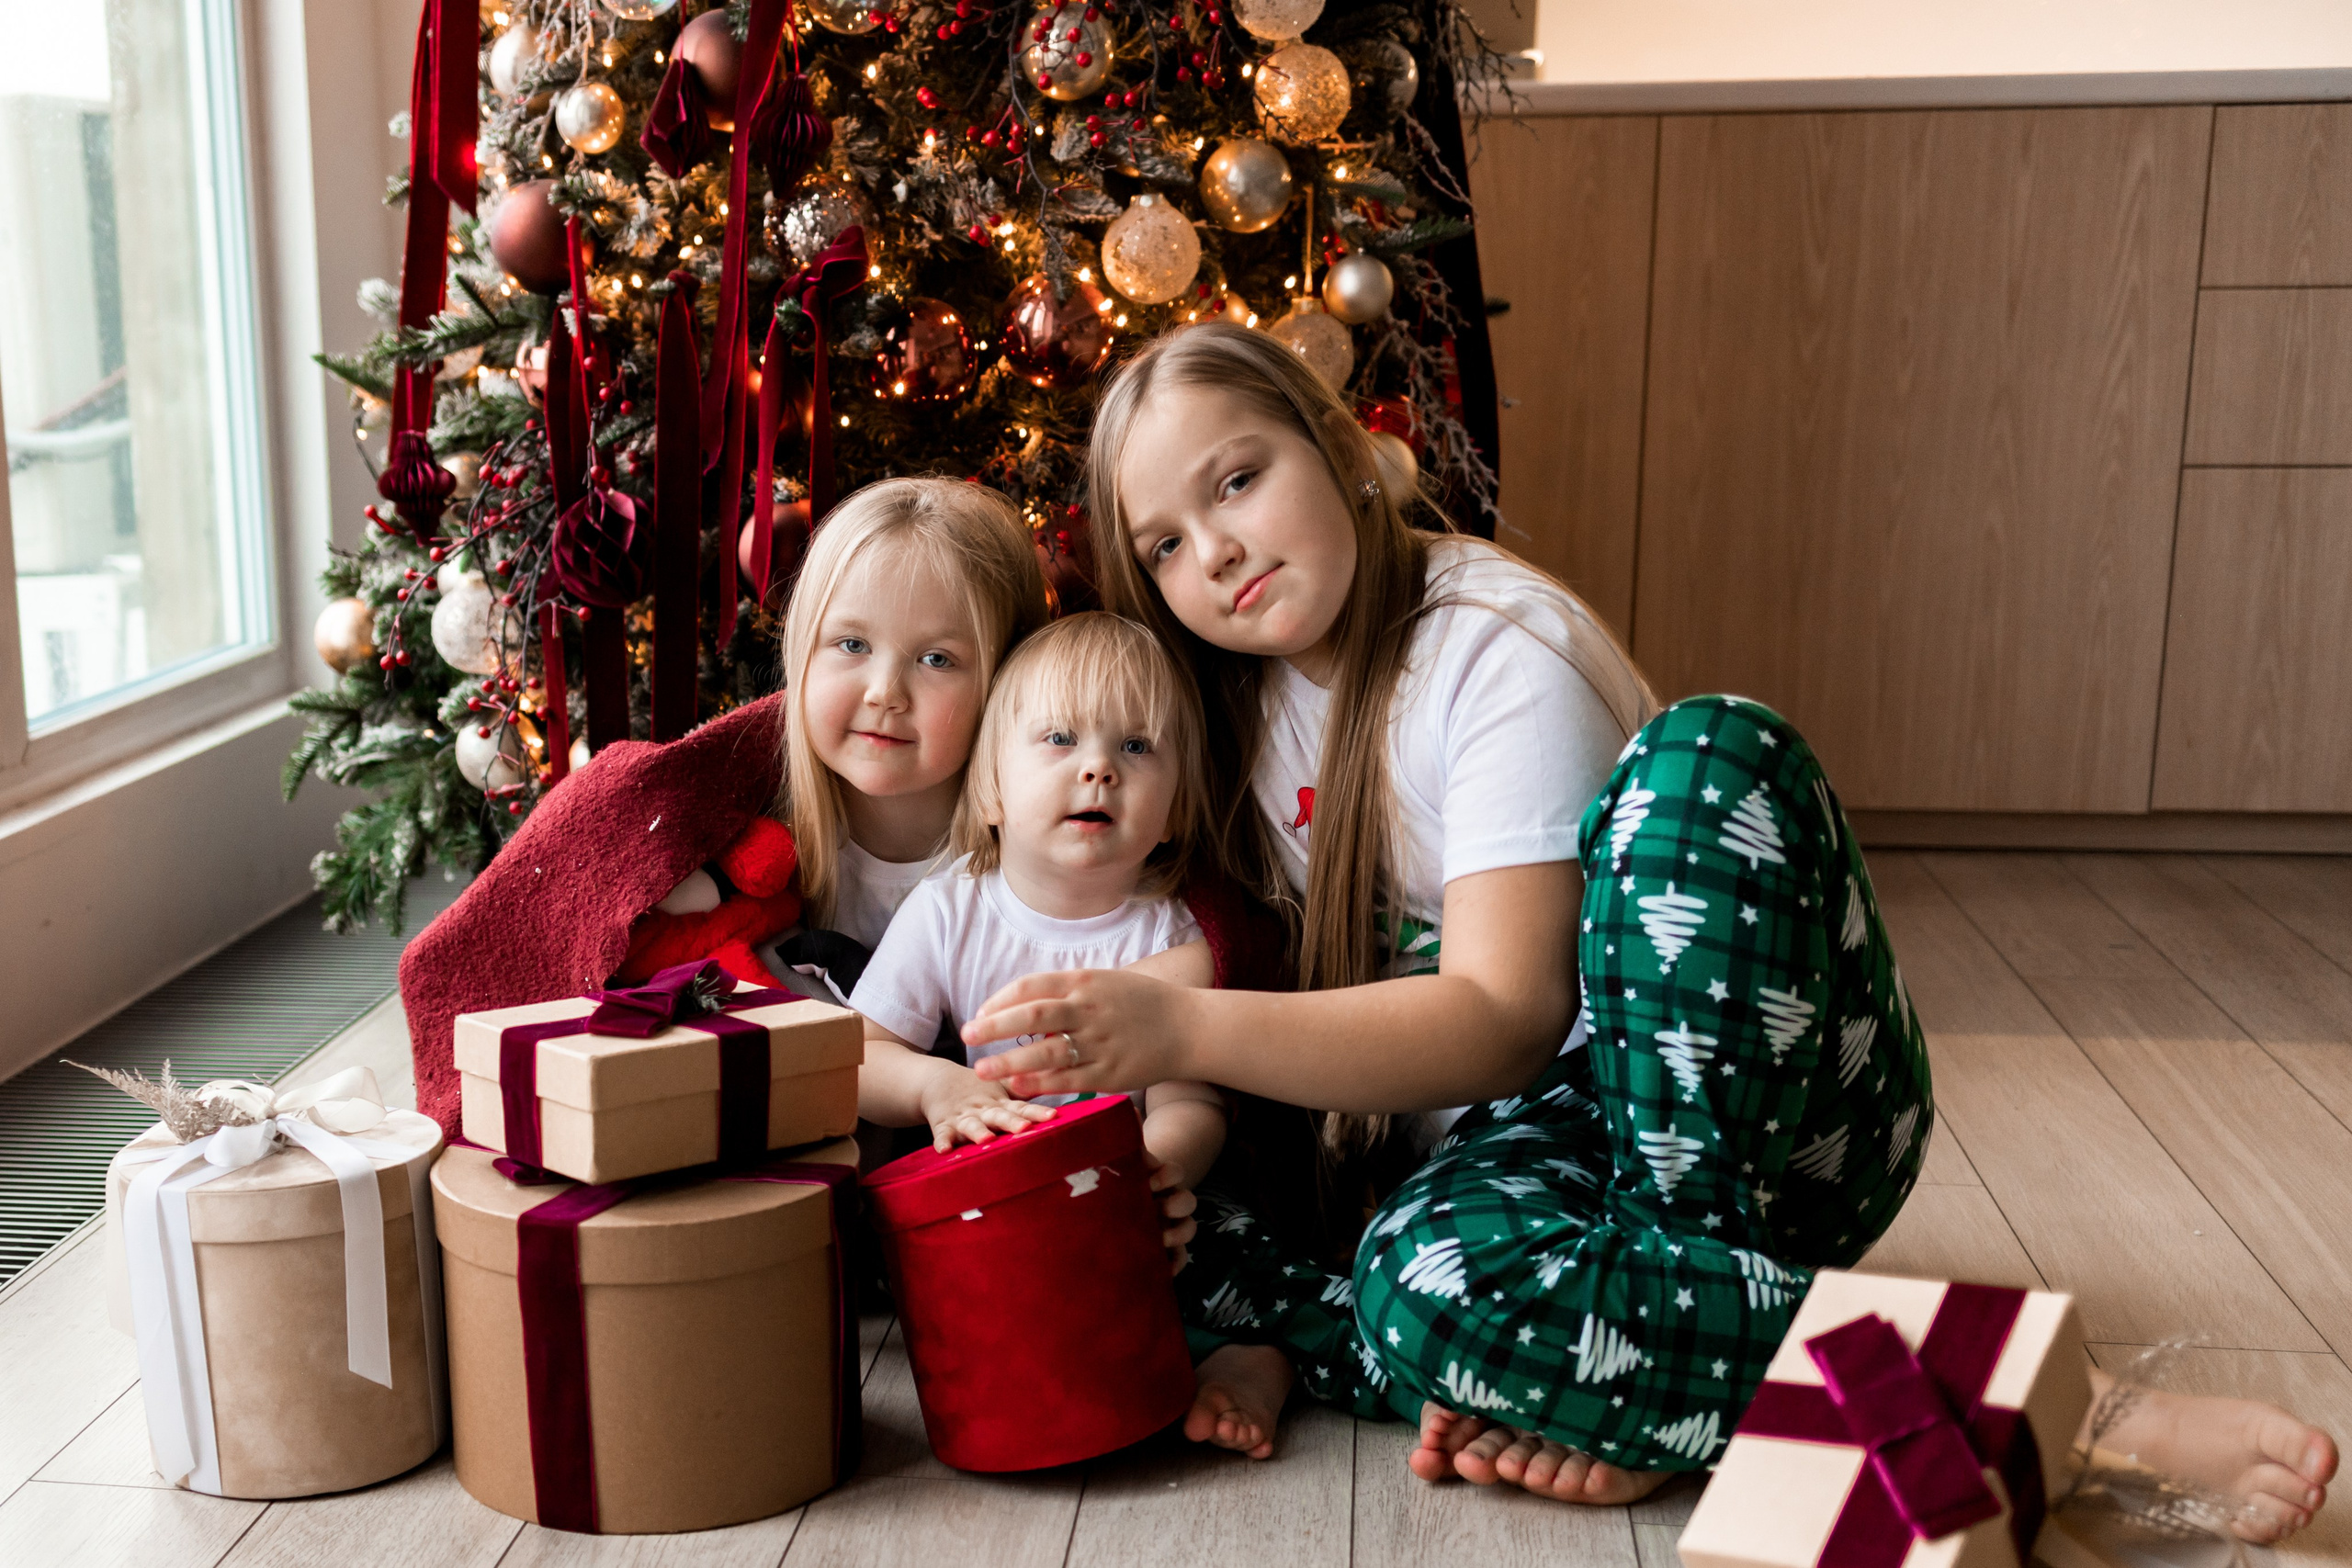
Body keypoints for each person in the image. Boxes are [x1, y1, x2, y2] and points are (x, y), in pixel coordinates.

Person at [955, 321, 2337, 1540]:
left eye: (1239, 479)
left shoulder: (1491, 646)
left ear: (1341, 442)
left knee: (1707, 758)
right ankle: (1652, 1383)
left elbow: (1502, 1010)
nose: (1220, 552)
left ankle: (2059, 1412)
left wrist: (1181, 1023)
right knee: (1378, 1275)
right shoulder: (1222, 715)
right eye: (1168, 543)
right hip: (1544, 1155)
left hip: (1759, 1102)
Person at [848, 613, 1226, 1287]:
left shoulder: (1171, 939)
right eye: (1059, 738)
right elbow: (858, 1058)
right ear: (991, 787)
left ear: (1176, 811)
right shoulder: (949, 909)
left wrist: (1150, 1167)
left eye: (1137, 746)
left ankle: (1249, 1356)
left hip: (1117, 1205)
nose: (1099, 768)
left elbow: (1191, 1104)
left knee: (1225, 1250)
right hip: (992, 1201)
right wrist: (936, 1086)